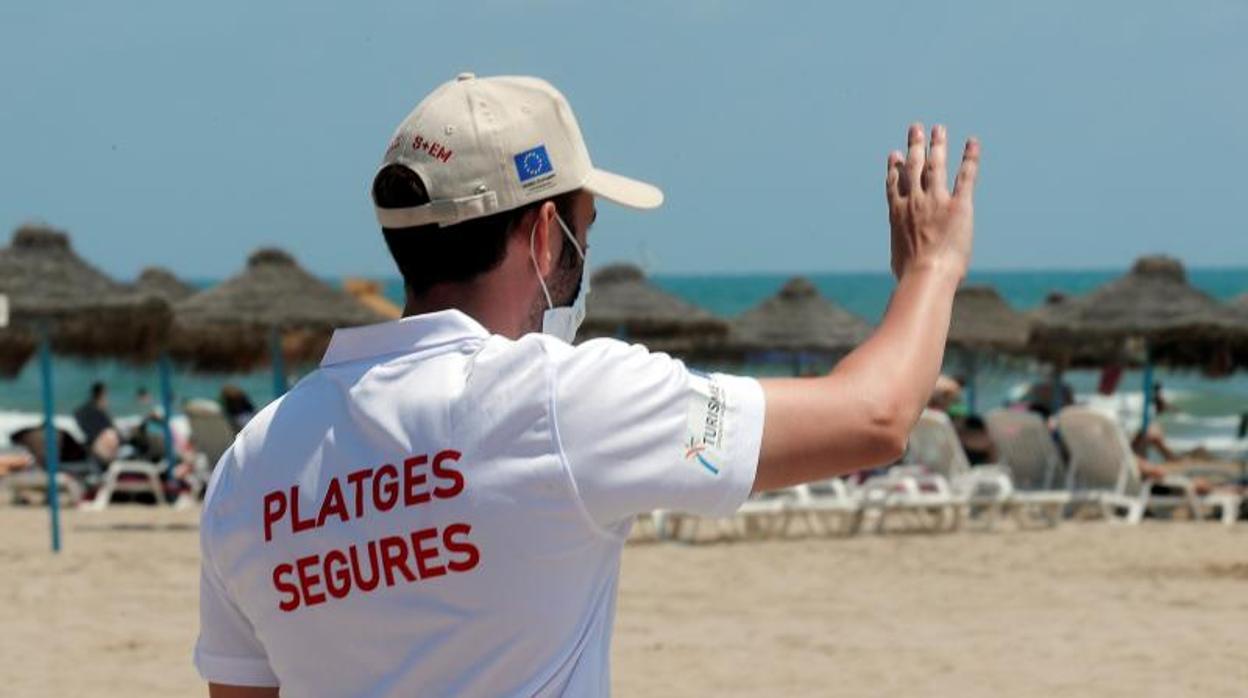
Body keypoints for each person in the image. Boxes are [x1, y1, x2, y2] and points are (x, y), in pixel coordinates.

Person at [195, 74, 980, 697]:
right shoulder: (558, 400)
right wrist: (932, 268)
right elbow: (874, 418)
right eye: (584, 231)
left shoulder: (251, 464)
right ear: (544, 233)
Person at [73, 381, 121, 464]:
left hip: (90, 445)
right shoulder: (99, 411)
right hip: (101, 449)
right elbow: (111, 429)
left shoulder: (82, 410)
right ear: (102, 394)